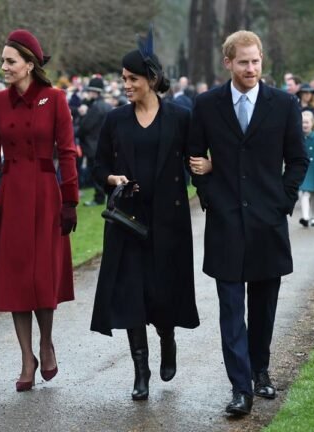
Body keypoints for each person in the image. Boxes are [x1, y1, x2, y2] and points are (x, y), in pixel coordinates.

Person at [187, 30, 308, 416]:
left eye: (255, 61)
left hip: (267, 222)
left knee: (263, 306)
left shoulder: (284, 104)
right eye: (243, 62)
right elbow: (194, 157)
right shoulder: (206, 106)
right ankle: (240, 388)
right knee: (229, 307)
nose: (251, 68)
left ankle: (260, 370)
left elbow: (299, 160)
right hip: (225, 222)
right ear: (229, 63)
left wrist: (282, 203)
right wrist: (210, 194)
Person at [90, 30, 202, 401]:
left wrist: (208, 166)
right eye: (122, 79)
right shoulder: (115, 120)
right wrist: (111, 178)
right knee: (130, 295)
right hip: (128, 222)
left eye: (132, 79)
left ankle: (167, 339)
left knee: (163, 292)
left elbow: (195, 158)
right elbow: (98, 164)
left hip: (168, 222)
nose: (125, 85)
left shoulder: (180, 118)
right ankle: (141, 371)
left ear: (151, 79)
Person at [0, 29, 79, 392]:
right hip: (13, 195)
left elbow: (66, 152)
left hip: (47, 195)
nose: (3, 66)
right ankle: (25, 359)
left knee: (42, 277)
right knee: (17, 277)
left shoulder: (56, 98)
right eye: (3, 60)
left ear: (29, 64)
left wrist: (70, 201)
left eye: (10, 61)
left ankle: (46, 344)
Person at [77, 77, 113, 206]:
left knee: (96, 173)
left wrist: (82, 117)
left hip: (93, 145)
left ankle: (99, 198)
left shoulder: (96, 107)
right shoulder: (108, 106)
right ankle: (103, 196)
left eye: (90, 91)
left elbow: (85, 127)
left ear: (95, 92)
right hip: (104, 144)